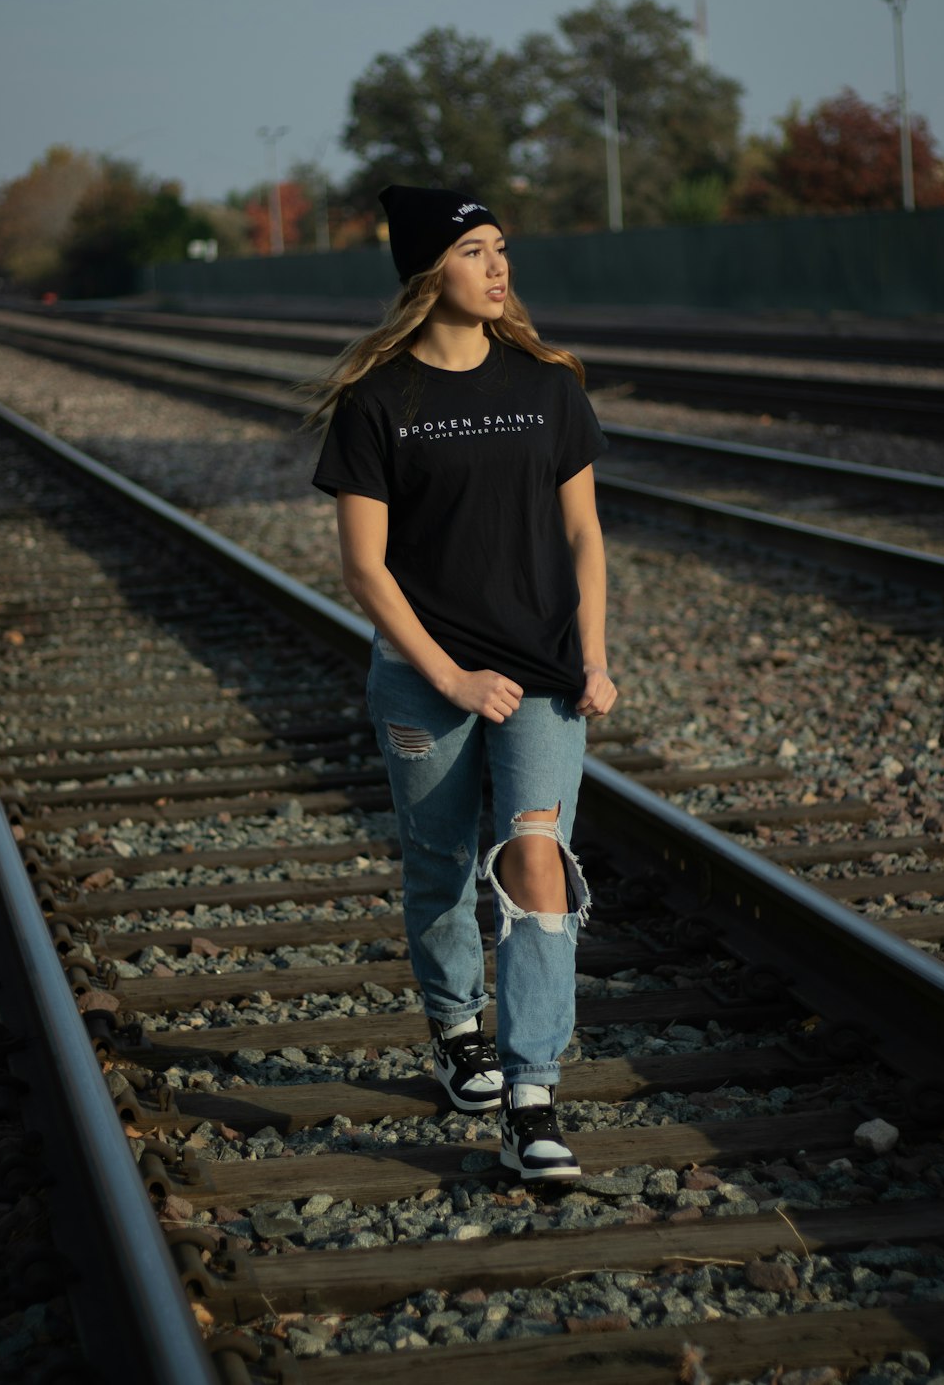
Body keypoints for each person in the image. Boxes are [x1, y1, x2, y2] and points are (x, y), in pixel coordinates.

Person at [311, 185, 617, 1180]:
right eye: (476, 250)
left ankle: (531, 1094)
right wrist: (448, 675)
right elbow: (365, 568)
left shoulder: (548, 386)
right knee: (439, 866)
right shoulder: (378, 402)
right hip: (422, 679)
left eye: (501, 251)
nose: (498, 268)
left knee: (536, 861)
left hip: (539, 673)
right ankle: (458, 1028)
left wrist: (596, 655)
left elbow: (583, 536)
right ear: (425, 273)